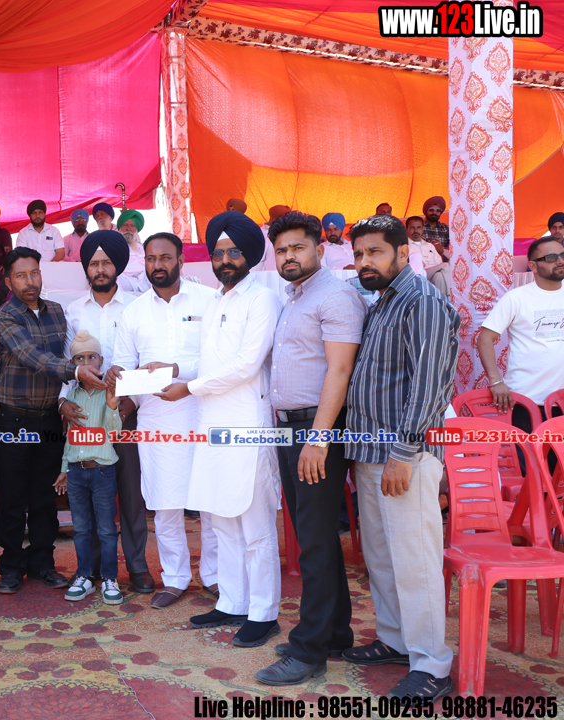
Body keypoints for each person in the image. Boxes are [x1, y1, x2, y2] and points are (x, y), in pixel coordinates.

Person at [344, 214, 459, 699]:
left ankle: (432, 664)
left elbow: (429, 386)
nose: (364, 262)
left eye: (375, 252)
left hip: (403, 456)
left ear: (404, 253)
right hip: (371, 452)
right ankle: (395, 640)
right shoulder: (383, 302)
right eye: (359, 254)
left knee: (415, 560)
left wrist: (404, 453)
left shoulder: (423, 302)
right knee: (383, 558)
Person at [153, 214, 282, 647]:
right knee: (221, 519)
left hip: (247, 425)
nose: (225, 260)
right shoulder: (215, 301)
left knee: (255, 526)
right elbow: (210, 362)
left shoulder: (261, 300)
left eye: (234, 252)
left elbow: (246, 365)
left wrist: (188, 387)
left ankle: (263, 613)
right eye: (218, 253)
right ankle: (232, 601)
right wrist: (173, 370)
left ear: (250, 255)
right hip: (211, 424)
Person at [251, 212, 366, 685]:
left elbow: (339, 371)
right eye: (281, 250)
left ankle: (309, 650)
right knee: (313, 536)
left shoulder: (336, 296)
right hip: (290, 430)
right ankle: (335, 633)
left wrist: (318, 438)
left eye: (298, 247)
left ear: (320, 248)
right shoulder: (296, 296)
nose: (289, 257)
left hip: (317, 431)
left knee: (315, 542)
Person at [109, 232, 219, 609]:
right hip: (156, 419)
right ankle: (175, 578)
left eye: (165, 258)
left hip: (203, 413)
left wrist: (177, 369)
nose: (157, 265)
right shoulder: (134, 311)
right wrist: (122, 376)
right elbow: (123, 364)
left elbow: (221, 358)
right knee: (165, 502)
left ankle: (215, 575)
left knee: (209, 500)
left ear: (181, 261)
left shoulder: (209, 300)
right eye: (151, 259)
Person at [0, 247, 105, 593]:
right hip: (13, 421)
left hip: (48, 420)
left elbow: (69, 353)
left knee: (45, 497)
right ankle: (11, 567)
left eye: (35, 273)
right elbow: (32, 357)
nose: (30, 281)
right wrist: (76, 371)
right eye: (21, 275)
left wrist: (73, 386)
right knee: (12, 498)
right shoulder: (5, 316)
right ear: (8, 281)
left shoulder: (56, 311)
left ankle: (42, 563)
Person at [60, 230, 154, 594]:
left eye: (106, 263)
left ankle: (137, 566)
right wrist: (62, 403)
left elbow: (145, 358)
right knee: (89, 497)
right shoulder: (73, 311)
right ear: (86, 268)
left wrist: (134, 401)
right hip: (84, 415)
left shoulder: (137, 305)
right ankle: (94, 569)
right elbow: (64, 364)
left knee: (130, 493)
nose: (100, 269)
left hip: (125, 410)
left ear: (118, 267)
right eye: (94, 263)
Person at [55, 329, 124, 605]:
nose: (86, 362)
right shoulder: (71, 395)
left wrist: (112, 404)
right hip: (76, 471)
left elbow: (114, 432)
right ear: (73, 364)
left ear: (101, 360)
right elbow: (70, 437)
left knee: (106, 529)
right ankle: (84, 576)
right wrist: (64, 468)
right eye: (79, 358)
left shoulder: (108, 392)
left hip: (102, 471)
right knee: (81, 528)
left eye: (91, 357)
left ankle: (109, 578)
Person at [478, 236, 564, 430]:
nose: (560, 261)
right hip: (527, 401)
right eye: (551, 257)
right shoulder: (516, 298)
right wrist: (496, 381)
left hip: (561, 400)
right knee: (527, 450)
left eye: (562, 255)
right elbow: (485, 338)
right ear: (533, 266)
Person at [405, 215, 447, 294]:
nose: (416, 230)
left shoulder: (430, 246)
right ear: (406, 229)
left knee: (439, 276)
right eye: (412, 227)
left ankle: (442, 299)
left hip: (433, 273)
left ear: (422, 229)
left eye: (419, 227)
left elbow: (439, 263)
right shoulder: (404, 247)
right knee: (446, 266)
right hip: (418, 274)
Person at [115, 210, 148, 288]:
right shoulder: (113, 247)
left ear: (137, 229)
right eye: (125, 225)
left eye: (133, 225)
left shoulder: (144, 248)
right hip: (121, 284)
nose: (128, 228)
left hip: (145, 284)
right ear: (120, 228)